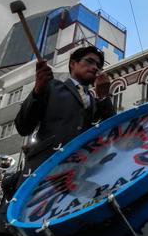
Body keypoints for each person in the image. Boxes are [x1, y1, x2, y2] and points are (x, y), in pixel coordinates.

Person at [15, 46, 115, 176]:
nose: (95, 67)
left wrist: (103, 97)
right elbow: (23, 127)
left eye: (98, 65)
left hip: (80, 175)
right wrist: (37, 91)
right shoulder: (52, 86)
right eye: (90, 61)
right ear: (73, 63)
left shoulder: (98, 102)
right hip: (45, 171)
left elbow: (113, 132)